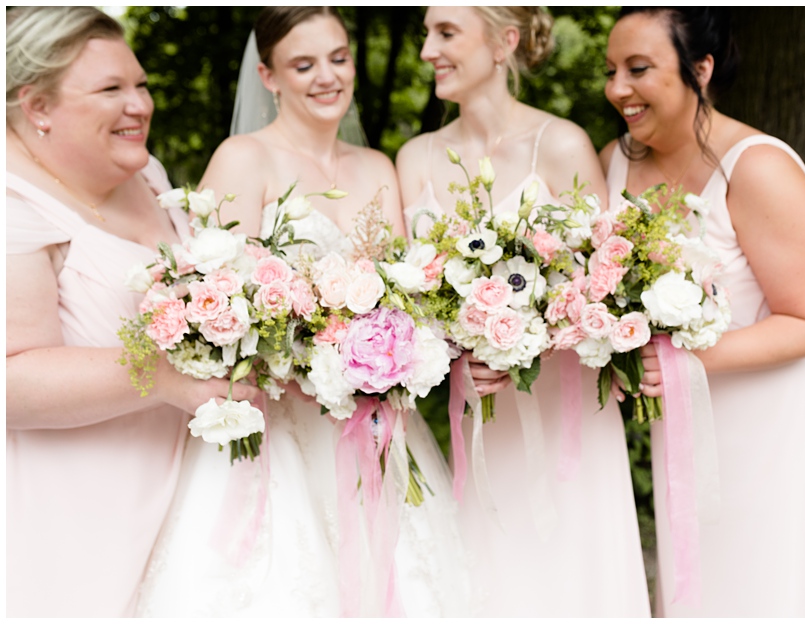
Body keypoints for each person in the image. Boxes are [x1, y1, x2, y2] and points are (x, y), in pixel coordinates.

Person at [132, 8, 469, 617]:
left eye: (338, 58)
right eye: (303, 65)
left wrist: (390, 354)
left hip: (371, 423)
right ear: (268, 76)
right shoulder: (244, 158)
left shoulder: (377, 170)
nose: (327, 77)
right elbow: (214, 310)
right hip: (277, 427)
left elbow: (404, 302)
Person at [603, 7, 805, 615]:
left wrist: (677, 359)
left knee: (770, 583)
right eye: (611, 70)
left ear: (701, 67)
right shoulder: (617, 162)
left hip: (778, 416)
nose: (618, 88)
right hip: (692, 419)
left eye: (638, 68)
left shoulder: (759, 168)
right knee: (703, 583)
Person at [4, 7, 258, 616]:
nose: (139, 104)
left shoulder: (147, 174)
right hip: (76, 514)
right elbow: (10, 377)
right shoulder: (12, 204)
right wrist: (169, 376)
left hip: (190, 500)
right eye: (110, 89)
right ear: (37, 106)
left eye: (140, 84)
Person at [397, 6, 650, 617]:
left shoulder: (560, 144)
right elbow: (409, 299)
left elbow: (608, 290)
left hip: (566, 417)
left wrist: (526, 347)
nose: (428, 49)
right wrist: (455, 344)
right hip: (481, 421)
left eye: (446, 33)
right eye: (427, 33)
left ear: (504, 42)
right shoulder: (415, 158)